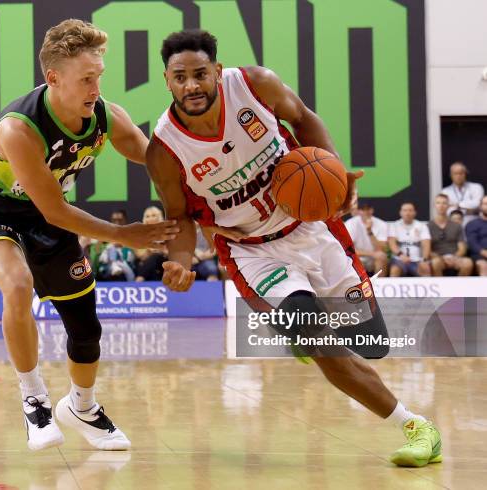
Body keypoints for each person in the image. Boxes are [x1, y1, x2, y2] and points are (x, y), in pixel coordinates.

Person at [145, 29, 441, 467]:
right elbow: (179, 215)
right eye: (181, 77)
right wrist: (181, 261)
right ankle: (415, 426)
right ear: (167, 80)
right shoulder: (165, 148)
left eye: (200, 74)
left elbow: (303, 118)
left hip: (311, 229)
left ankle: (299, 326)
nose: (192, 85)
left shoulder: (255, 85)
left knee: (372, 342)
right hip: (253, 250)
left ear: (217, 72)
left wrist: (334, 172)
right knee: (314, 335)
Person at [0, 19, 178, 452]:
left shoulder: (106, 116)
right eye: (86, 79)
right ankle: (33, 398)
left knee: (86, 326)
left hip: (47, 221)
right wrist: (123, 234)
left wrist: (203, 179)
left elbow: (157, 159)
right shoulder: (18, 129)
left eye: (99, 77)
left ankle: (82, 407)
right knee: (18, 286)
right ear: (53, 79)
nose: (95, 88)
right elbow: (54, 208)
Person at [427, 194, 473, 276]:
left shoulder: (456, 226)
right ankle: (440, 287)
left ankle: (459, 288)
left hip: (454, 257)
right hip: (438, 258)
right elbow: (427, 249)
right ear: (434, 206)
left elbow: (462, 248)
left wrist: (454, 257)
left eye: (444, 203)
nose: (441, 206)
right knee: (435, 263)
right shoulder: (428, 226)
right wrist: (441, 258)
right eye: (438, 203)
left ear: (448, 206)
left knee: (467, 263)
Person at [388, 203, 432, 277]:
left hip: (417, 260)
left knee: (426, 270)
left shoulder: (421, 226)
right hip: (399, 259)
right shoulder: (395, 225)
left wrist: (424, 260)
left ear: (415, 213)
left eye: (410, 210)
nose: (407, 213)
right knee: (395, 270)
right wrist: (401, 255)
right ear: (400, 212)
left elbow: (426, 244)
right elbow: (392, 243)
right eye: (405, 210)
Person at [344, 203, 388, 276]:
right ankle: (360, 286)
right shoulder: (351, 223)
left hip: (375, 258)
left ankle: (379, 285)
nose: (365, 212)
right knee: (349, 259)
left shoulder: (381, 224)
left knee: (382, 257)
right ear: (359, 211)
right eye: (362, 210)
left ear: (372, 210)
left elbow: (382, 248)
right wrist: (372, 254)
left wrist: (369, 231)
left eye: (368, 209)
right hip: (359, 257)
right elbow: (349, 250)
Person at [441, 161, 484, 226]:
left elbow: (477, 204)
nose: (458, 176)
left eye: (461, 173)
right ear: (451, 175)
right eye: (455, 173)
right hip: (453, 226)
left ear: (466, 174)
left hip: (474, 225)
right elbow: (448, 211)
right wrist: (468, 209)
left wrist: (458, 205)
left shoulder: (476, 187)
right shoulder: (445, 191)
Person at [135, 206, 167, 281]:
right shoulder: (140, 234)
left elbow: (170, 252)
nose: (150, 218)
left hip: (163, 262)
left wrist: (160, 250)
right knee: (150, 264)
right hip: (146, 263)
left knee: (156, 256)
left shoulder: (166, 232)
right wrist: (150, 251)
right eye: (148, 216)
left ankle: (139, 279)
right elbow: (139, 255)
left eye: (153, 215)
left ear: (159, 217)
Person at [465, 195, 487, 276]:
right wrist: (484, 253)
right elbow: (472, 243)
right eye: (485, 204)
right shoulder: (473, 224)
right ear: (481, 206)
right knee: (484, 266)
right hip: (479, 256)